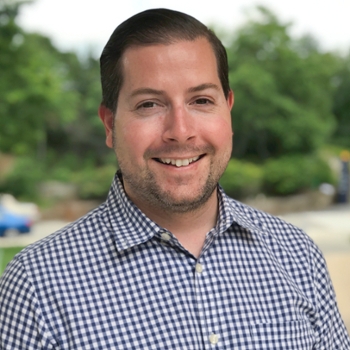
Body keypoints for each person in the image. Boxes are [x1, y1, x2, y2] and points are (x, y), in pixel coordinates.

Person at [1, 8, 349, 350]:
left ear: (227, 109)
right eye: (150, 105)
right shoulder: (36, 286)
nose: (180, 132)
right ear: (109, 124)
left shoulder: (297, 254)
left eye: (201, 100)